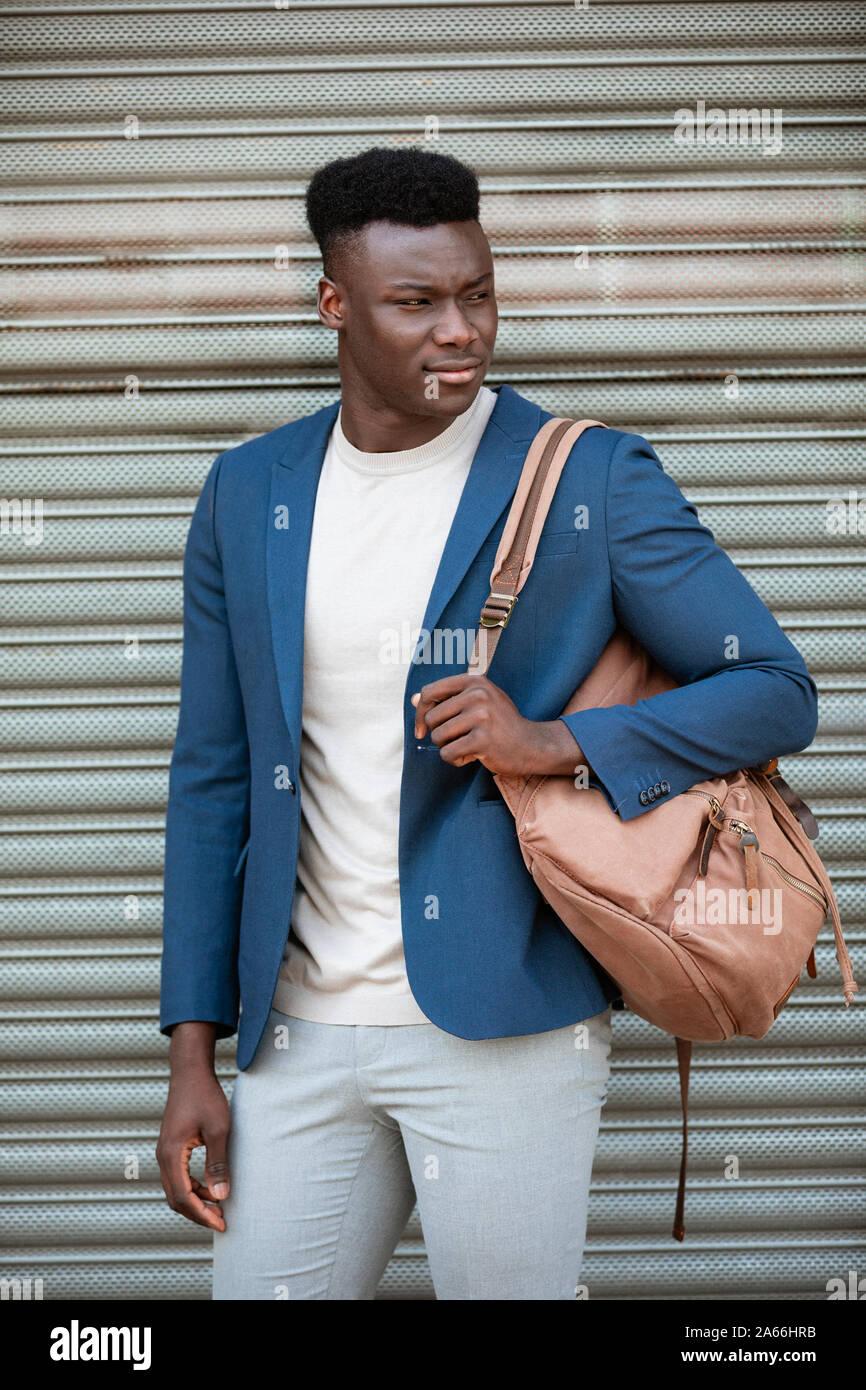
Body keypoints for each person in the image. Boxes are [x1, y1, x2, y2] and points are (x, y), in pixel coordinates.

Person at [156, 146, 819, 1300]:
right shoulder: (247, 491)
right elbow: (211, 779)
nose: (458, 331)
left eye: (477, 294)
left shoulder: (586, 479)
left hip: (503, 1022)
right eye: (414, 303)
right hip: (294, 1032)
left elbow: (772, 687)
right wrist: (191, 1053)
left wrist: (553, 743)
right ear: (333, 305)